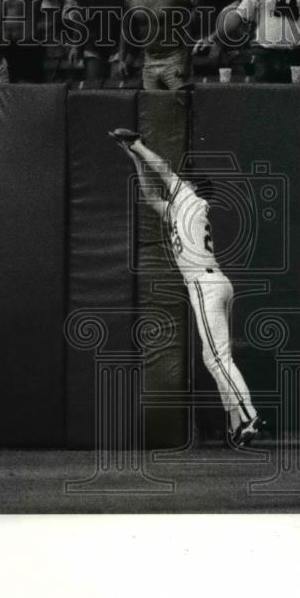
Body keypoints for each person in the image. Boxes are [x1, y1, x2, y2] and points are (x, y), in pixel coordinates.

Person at [109, 129, 264, 447]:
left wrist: (138, 143)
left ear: (192, 188)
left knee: (218, 358)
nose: (177, 185)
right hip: (211, 282)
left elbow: (163, 170)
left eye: (183, 182)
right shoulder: (182, 209)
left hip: (205, 284)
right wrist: (135, 158)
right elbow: (151, 196)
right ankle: (237, 425)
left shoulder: (191, 199)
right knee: (217, 357)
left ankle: (248, 416)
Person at [120, 0, 190, 90]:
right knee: (152, 107)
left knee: (181, 102)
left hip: (173, 58)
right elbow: (125, 30)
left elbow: (187, 33)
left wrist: (185, 63)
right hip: (149, 59)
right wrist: (121, 59)